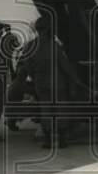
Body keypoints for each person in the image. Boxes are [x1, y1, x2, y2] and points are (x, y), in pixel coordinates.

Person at [28, 16, 84, 148]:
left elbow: (28, 66)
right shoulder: (55, 46)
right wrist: (76, 80)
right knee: (61, 111)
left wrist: (36, 77)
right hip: (58, 85)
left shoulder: (30, 46)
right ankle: (62, 140)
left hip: (41, 85)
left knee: (46, 111)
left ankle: (48, 141)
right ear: (48, 29)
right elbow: (66, 66)